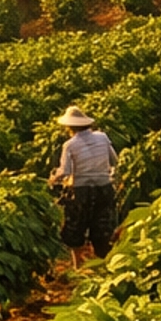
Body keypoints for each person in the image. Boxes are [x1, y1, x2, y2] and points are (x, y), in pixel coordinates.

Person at [53, 104, 119, 263]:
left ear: (70, 127)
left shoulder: (69, 145)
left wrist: (54, 178)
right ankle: (105, 265)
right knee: (102, 227)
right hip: (104, 188)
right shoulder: (102, 137)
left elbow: (65, 172)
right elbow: (115, 161)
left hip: (81, 191)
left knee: (75, 228)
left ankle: (78, 267)